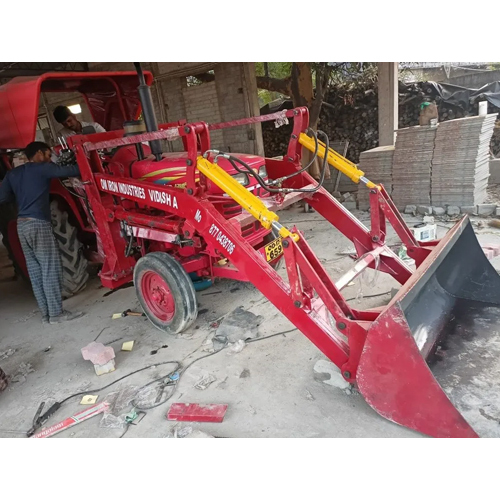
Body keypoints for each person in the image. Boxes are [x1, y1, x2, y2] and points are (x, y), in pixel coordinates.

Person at [0, 142, 84, 325]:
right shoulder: (41, 169)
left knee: (36, 271)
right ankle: (56, 314)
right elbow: (70, 170)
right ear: (38, 153)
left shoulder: (12, 174)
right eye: (47, 155)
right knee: (49, 268)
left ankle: (46, 314)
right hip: (39, 224)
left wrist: (23, 196)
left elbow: (3, 197)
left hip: (22, 226)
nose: (49, 159)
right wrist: (84, 159)